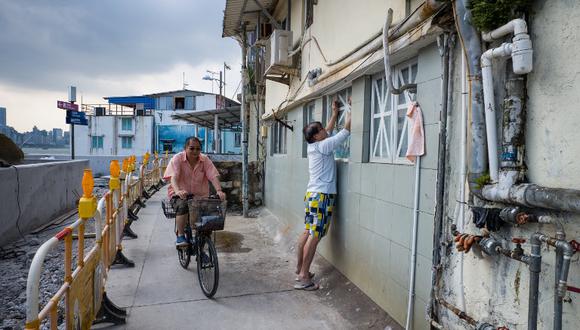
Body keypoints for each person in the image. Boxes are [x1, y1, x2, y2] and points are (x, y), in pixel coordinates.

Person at [295, 98, 351, 290]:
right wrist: (352, 107)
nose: (324, 129)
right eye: (320, 129)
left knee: (308, 231)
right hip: (322, 196)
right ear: (317, 136)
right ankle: (304, 276)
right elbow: (345, 132)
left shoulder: (315, 145)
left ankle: (299, 269)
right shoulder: (323, 145)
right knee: (316, 235)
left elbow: (327, 132)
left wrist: (335, 114)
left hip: (312, 194)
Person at [163, 136, 226, 246]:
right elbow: (173, 177)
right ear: (185, 148)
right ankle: (181, 236)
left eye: (198, 149)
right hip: (180, 195)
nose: (195, 151)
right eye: (191, 148)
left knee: (208, 219)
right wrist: (178, 191)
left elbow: (213, 176)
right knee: (182, 206)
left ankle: (202, 251)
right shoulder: (177, 159)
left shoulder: (205, 160)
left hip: (200, 196)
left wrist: (219, 191)